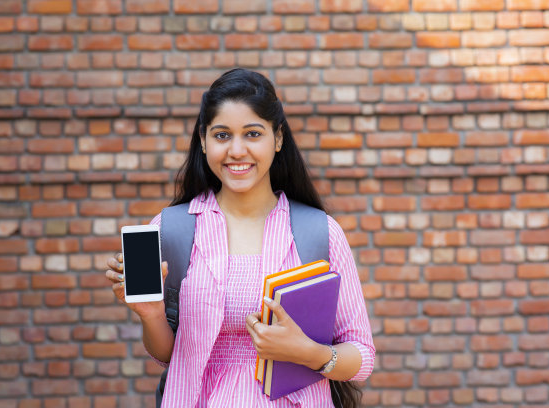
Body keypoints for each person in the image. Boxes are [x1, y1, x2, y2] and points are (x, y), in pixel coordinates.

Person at [105, 68, 375, 407]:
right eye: (222, 135)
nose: (236, 150)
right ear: (203, 140)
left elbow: (362, 358)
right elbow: (168, 358)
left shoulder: (320, 232)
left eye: (252, 134)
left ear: (277, 139)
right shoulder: (172, 229)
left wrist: (308, 353)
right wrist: (151, 315)